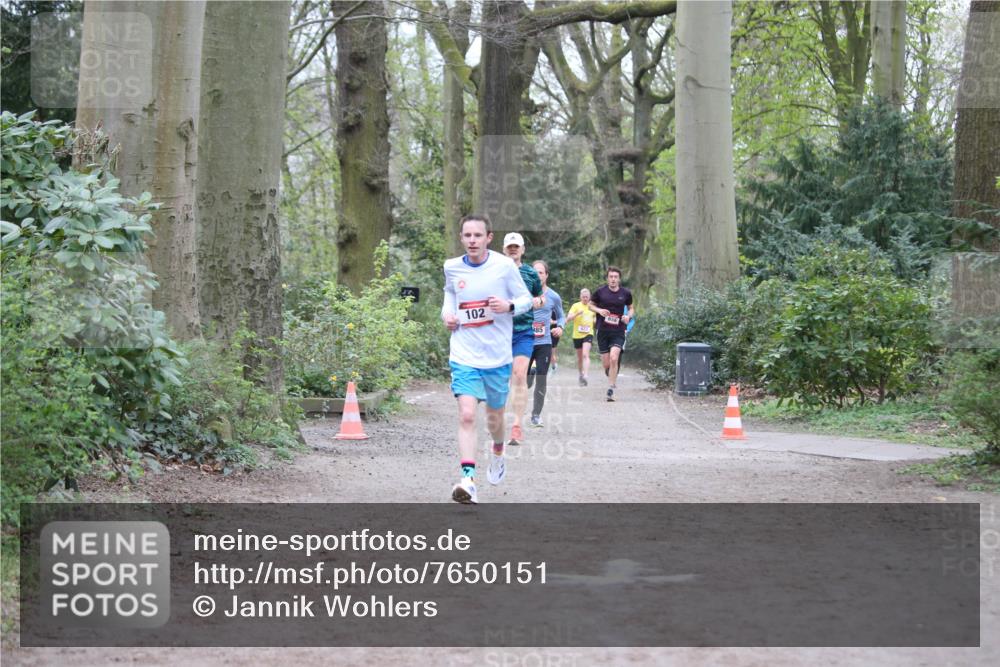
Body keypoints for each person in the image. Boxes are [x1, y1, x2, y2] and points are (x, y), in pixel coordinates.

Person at [442, 215, 532, 504]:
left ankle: (497, 450)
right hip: (464, 353)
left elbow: (527, 300)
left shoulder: (504, 267)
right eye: (467, 235)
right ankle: (468, 480)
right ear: (461, 238)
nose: (472, 241)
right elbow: (449, 295)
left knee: (494, 420)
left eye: (477, 236)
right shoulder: (452, 267)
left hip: (496, 356)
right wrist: (448, 316)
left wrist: (508, 306)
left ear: (489, 238)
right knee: (467, 414)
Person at [501, 232, 545, 446]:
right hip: (499, 331)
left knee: (519, 374)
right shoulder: (496, 271)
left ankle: (517, 425)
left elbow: (540, 296)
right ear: (504, 249)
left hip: (523, 332)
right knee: (501, 378)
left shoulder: (529, 273)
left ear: (523, 249)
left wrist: (538, 301)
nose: (513, 249)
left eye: (516, 246)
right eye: (509, 246)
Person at [525, 260, 565, 427]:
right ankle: (530, 373)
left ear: (546, 275)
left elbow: (561, 315)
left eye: (541, 272)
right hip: (525, 341)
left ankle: (536, 415)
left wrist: (560, 327)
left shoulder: (553, 296)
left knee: (542, 379)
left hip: (544, 343)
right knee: (524, 380)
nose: (538, 275)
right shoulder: (524, 293)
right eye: (535, 272)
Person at [589, 266, 634, 402]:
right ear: (607, 278)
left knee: (614, 358)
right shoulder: (600, 292)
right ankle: (611, 375)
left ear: (619, 279)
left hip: (619, 331)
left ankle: (611, 389)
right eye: (611, 277)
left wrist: (628, 317)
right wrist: (599, 310)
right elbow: (590, 305)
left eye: (615, 277)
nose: (613, 279)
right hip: (602, 330)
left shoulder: (625, 293)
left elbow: (631, 308)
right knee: (607, 364)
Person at [565, 288, 597, 386]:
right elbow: (568, 319)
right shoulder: (576, 306)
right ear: (580, 297)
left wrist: (595, 321)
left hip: (588, 333)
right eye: (583, 297)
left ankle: (586, 375)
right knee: (580, 358)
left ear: (589, 297)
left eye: (587, 297)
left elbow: (596, 319)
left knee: (585, 355)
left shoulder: (593, 307)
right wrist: (577, 314)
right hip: (577, 335)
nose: (585, 299)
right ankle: (581, 374)